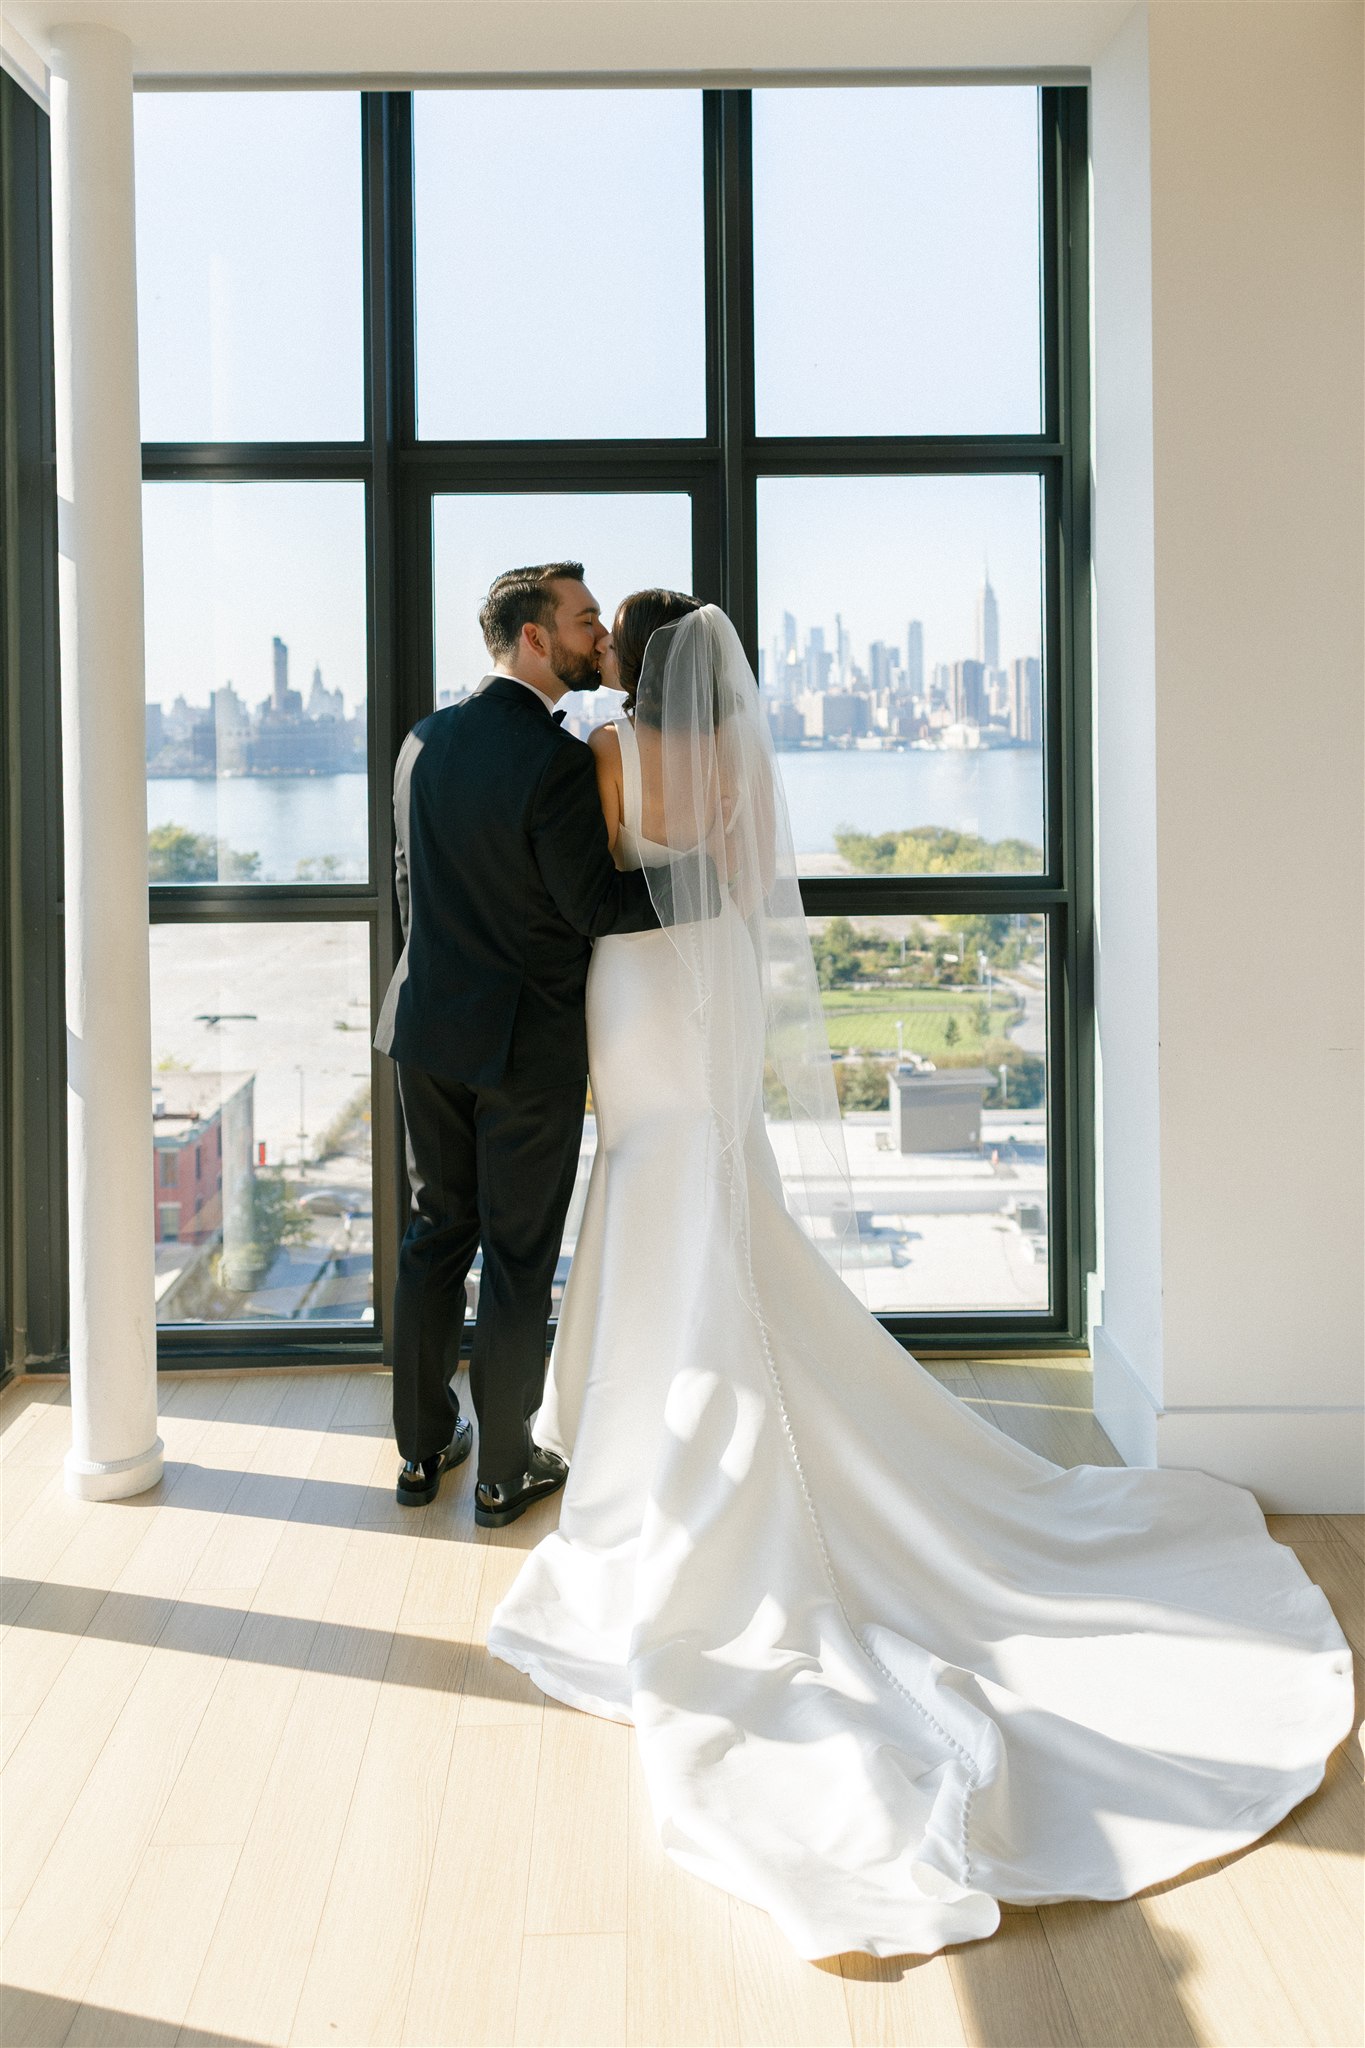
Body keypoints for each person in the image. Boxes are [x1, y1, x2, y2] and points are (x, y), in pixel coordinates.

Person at [486, 593, 1356, 1961]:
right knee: (716, 1179)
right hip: (704, 981)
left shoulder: (598, 755)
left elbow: (579, 880)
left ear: (626, 667)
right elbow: (755, 882)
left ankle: (656, 1475)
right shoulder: (741, 766)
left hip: (630, 994)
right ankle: (708, 1432)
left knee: (654, 1182)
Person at [373, 562, 708, 1528]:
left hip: (426, 1027)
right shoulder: (556, 762)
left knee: (436, 1235)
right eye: (580, 618)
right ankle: (502, 1474)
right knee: (518, 1258)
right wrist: (710, 887)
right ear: (532, 638)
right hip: (525, 1047)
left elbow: (411, 893)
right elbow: (596, 904)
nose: (595, 632)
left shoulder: (421, 743)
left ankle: (420, 1449)